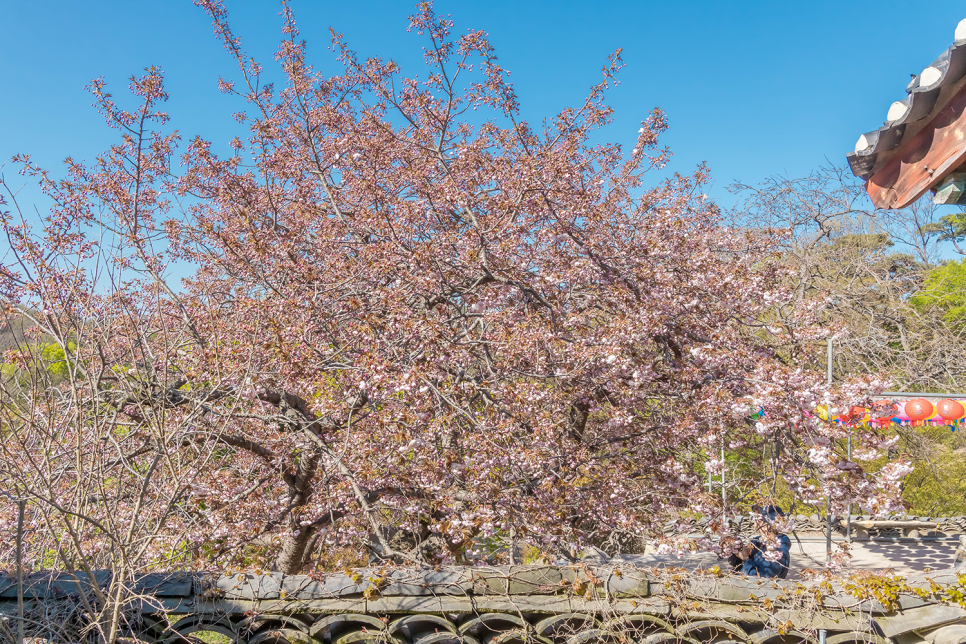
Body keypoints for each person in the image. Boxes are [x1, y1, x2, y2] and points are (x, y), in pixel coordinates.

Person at [735, 505, 791, 579]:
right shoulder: (757, 542)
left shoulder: (776, 552)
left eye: (758, 518)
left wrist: (745, 559)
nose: (754, 520)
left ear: (766, 526)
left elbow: (762, 581)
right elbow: (738, 566)